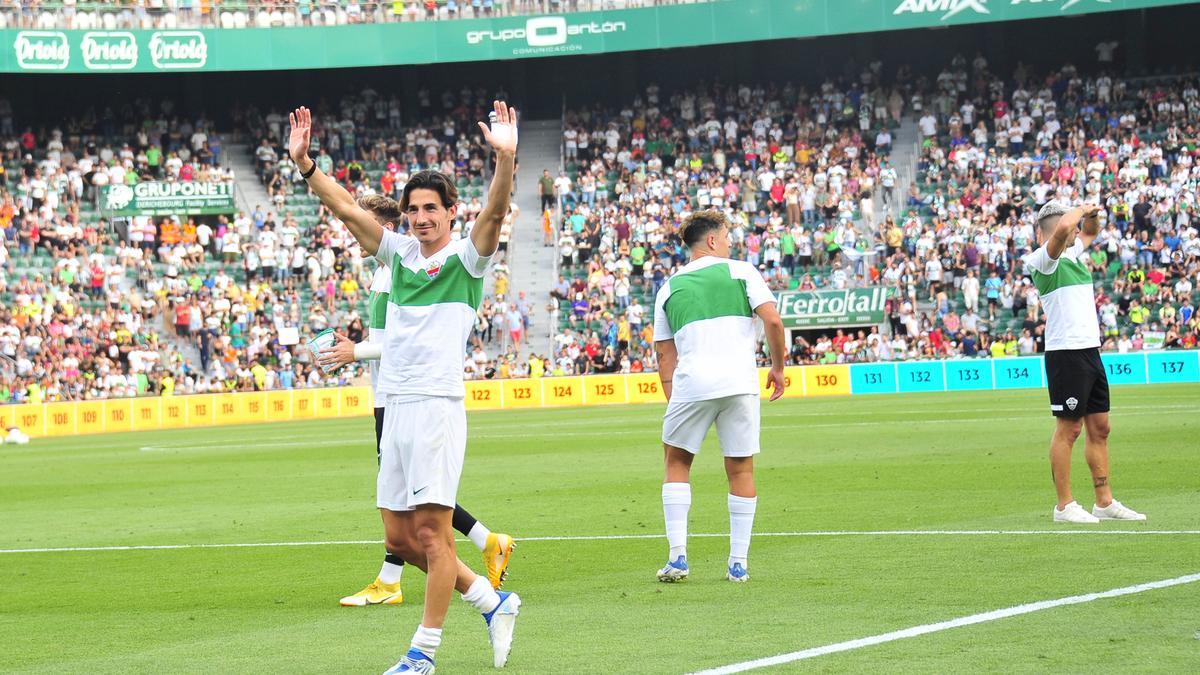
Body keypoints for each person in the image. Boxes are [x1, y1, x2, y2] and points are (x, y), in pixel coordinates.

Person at [289, 101, 521, 673]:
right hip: (393, 405)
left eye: (430, 209)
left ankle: (423, 653)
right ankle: (494, 603)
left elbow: (494, 212)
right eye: (413, 209)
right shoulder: (395, 254)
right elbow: (344, 207)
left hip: (436, 407)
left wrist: (506, 157)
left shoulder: (468, 261)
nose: (420, 218)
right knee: (401, 539)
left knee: (435, 538)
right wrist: (305, 165)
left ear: (449, 213)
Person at [316, 194, 516, 609]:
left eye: (365, 226)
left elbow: (396, 345)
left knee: (413, 501)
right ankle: (481, 545)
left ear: (385, 227)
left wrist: (355, 352)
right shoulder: (382, 274)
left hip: (403, 395)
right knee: (404, 499)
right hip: (391, 391)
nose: (356, 235)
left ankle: (408, 582)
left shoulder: (395, 272)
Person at [651, 209, 788, 584]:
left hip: (692, 383)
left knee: (676, 462)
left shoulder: (668, 288)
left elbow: (665, 355)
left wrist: (674, 398)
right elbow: (773, 321)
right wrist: (777, 368)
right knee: (740, 469)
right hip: (740, 383)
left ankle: (678, 557)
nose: (729, 243)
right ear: (712, 240)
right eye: (726, 237)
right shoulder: (742, 271)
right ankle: (737, 563)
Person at [1023, 201, 1145, 524]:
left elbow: (1088, 230)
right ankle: (1064, 506)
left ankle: (1104, 501)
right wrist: (1079, 207)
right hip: (1066, 353)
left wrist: (1090, 214)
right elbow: (1065, 229)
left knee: (1100, 428)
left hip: (1090, 350)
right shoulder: (1042, 260)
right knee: (1069, 428)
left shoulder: (1073, 253)